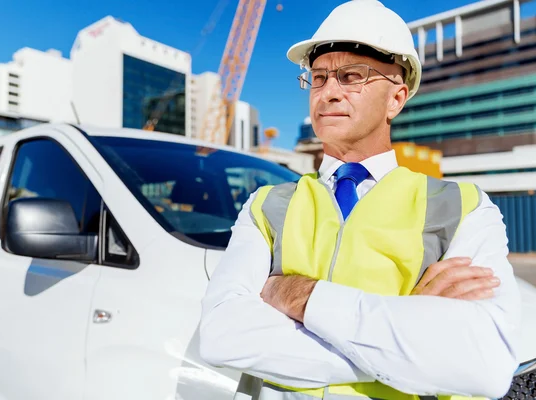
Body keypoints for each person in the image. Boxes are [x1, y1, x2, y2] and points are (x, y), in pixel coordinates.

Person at [199, 1, 521, 399]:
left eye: (351, 76)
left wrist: (297, 294)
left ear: (396, 99)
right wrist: (405, 330)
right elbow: (221, 336)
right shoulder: (266, 206)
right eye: (318, 78)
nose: (328, 93)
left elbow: (485, 365)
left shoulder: (463, 207)